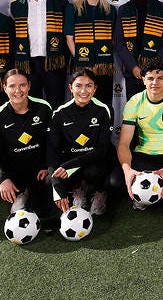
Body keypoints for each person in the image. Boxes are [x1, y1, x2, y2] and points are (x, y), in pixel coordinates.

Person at [112, 58, 163, 213]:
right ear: (143, 80)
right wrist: (127, 170)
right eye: (150, 78)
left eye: (160, 78)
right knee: (114, 183)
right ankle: (142, 195)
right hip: (143, 154)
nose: (155, 82)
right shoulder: (134, 102)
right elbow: (123, 144)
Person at [47, 68, 114, 215]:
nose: (83, 90)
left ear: (95, 88)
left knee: (93, 173)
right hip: (72, 160)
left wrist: (69, 165)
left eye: (89, 86)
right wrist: (56, 181)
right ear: (70, 87)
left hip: (97, 159)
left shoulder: (104, 109)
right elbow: (52, 149)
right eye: (78, 86)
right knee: (52, 178)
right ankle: (78, 190)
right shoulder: (59, 113)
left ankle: (100, 192)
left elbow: (102, 149)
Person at [0, 69, 52, 214]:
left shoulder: (44, 108)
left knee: (43, 211)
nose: (17, 90)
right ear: (4, 88)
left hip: (39, 170)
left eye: (22, 85)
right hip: (15, 170)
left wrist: (48, 165)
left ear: (29, 86)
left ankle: (34, 191)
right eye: (11, 86)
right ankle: (20, 192)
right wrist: (2, 179)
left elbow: (53, 142)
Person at [10, 0, 69, 110]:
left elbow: (66, 35)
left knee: (56, 103)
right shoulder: (17, 6)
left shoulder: (61, 3)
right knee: (32, 104)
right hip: (28, 63)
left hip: (54, 62)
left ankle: (55, 132)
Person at [113, 0, 163, 100]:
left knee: (158, 110)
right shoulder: (123, 10)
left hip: (157, 72)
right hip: (133, 72)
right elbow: (119, 42)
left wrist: (154, 66)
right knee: (134, 111)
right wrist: (133, 67)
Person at [63, 0, 117, 107]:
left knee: (104, 102)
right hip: (82, 66)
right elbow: (70, 39)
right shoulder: (72, 8)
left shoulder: (110, 10)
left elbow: (114, 40)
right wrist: (81, 61)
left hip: (104, 66)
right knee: (82, 103)